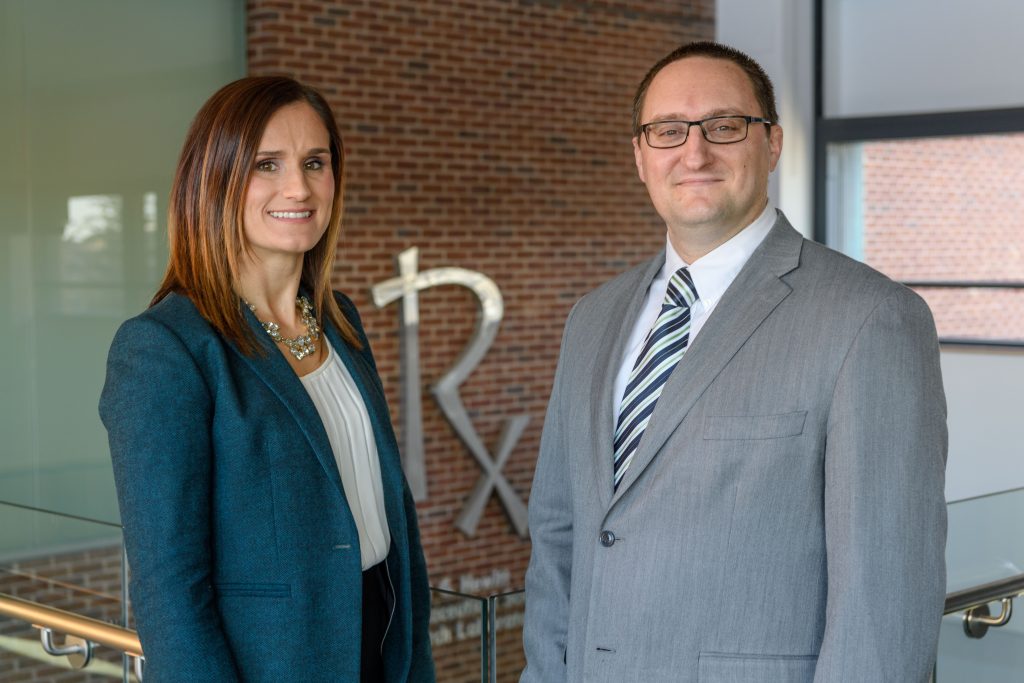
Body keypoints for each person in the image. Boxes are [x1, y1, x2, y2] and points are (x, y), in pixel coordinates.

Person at [522, 41, 947, 682]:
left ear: (772, 144)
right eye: (667, 131)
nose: (694, 153)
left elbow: (884, 593)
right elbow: (560, 533)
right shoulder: (593, 318)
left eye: (724, 127)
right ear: (640, 156)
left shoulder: (871, 318)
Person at [100, 77, 434, 682]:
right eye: (266, 164)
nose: (298, 187)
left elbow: (389, 516)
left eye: (315, 162)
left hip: (384, 646)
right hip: (278, 663)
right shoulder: (164, 349)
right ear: (214, 180)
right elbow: (169, 593)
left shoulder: (340, 319)